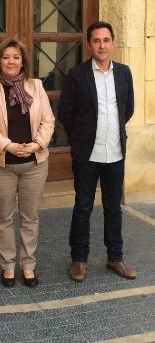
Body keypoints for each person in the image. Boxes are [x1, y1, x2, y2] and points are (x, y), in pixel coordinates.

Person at [0, 38, 55, 288]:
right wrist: (7, 145)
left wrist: (38, 144)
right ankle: (8, 266)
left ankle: (28, 265)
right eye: (6, 57)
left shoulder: (37, 86)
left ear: (23, 61)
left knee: (30, 217)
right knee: (3, 217)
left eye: (16, 57)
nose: (11, 61)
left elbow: (48, 120)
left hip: (35, 163)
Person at [58, 21, 136, 282]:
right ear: (89, 44)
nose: (102, 45)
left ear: (112, 42)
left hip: (115, 153)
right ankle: (79, 260)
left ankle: (116, 257)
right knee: (82, 207)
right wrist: (81, 137)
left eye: (106, 40)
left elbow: (128, 108)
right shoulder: (77, 74)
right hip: (87, 155)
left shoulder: (124, 73)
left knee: (113, 209)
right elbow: (66, 113)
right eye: (96, 40)